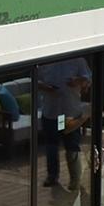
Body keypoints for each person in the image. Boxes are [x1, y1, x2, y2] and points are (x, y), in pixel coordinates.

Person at [35, 56, 93, 190]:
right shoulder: (45, 61)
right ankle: (52, 176)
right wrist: (46, 87)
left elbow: (87, 80)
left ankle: (75, 179)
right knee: (51, 146)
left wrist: (78, 81)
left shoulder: (77, 60)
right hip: (51, 111)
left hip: (70, 110)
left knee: (72, 146)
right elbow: (35, 81)